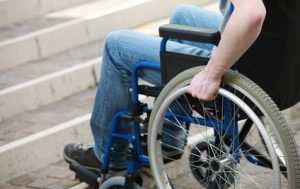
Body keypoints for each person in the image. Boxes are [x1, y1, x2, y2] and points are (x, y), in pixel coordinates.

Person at [63, 0, 300, 173]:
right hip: (283, 74)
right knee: (183, 16)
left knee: (116, 45)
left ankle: (108, 154)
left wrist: (211, 73)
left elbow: (252, 13)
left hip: (244, 80)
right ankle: (170, 137)